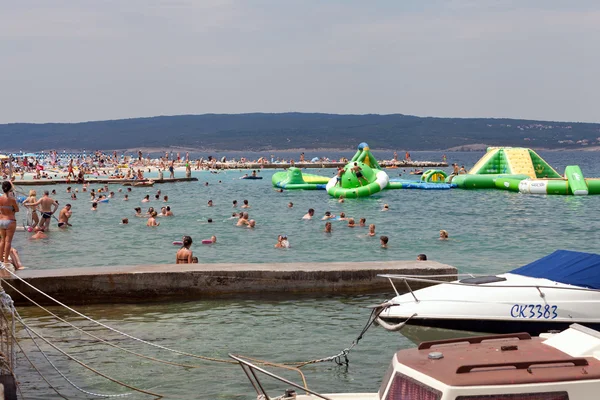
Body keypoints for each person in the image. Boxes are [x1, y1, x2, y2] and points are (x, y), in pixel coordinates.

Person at [0, 181, 19, 266]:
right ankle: (6, 259)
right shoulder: (12, 199)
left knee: (2, 240)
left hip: (1, 220)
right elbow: (17, 209)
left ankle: (0, 258)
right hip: (10, 220)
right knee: (8, 241)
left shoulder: (0, 198)